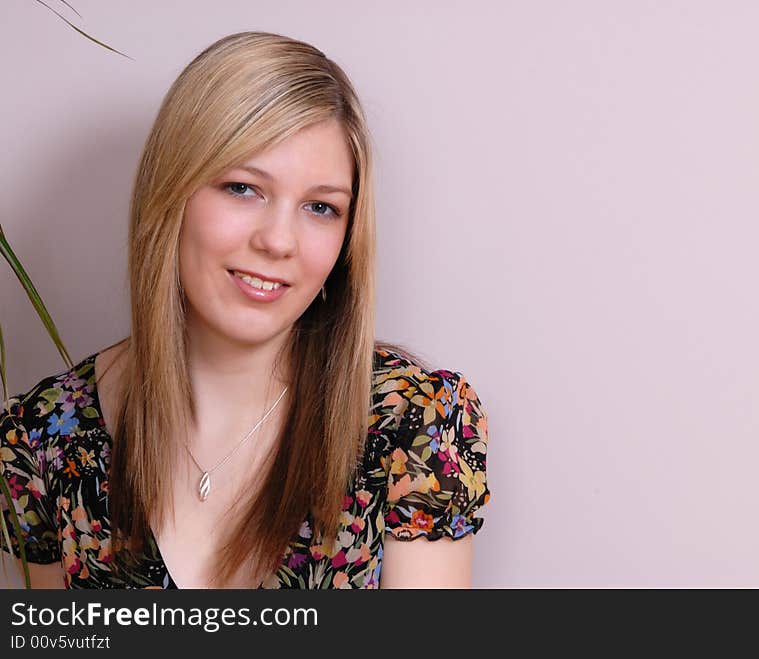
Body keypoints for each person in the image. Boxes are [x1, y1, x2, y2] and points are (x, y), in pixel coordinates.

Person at [0, 31, 489, 589]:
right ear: (171, 191)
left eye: (321, 207)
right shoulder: (38, 437)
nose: (280, 241)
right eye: (242, 188)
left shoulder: (416, 423)